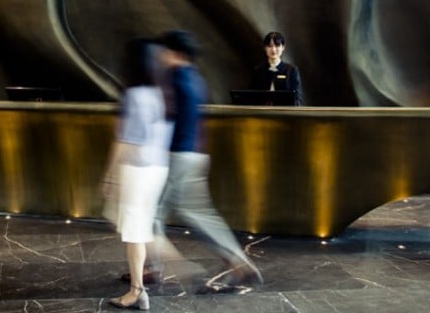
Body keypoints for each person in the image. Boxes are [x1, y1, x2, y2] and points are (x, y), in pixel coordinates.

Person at [140, 29, 262, 290]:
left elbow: (167, 118)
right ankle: (236, 259)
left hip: (177, 156)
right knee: (200, 213)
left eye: (166, 51)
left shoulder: (175, 80)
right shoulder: (197, 80)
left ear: (178, 54)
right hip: (197, 155)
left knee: (150, 214)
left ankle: (155, 268)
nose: (161, 56)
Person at [103, 39, 173, 310]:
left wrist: (109, 177)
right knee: (142, 228)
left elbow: (126, 141)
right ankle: (153, 271)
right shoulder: (161, 93)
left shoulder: (133, 95)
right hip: (158, 169)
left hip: (137, 170)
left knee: (134, 232)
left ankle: (137, 292)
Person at [249, 31, 302, 105]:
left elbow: (297, 99)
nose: (273, 49)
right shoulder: (258, 71)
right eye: (270, 46)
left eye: (277, 45)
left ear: (283, 47)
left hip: (284, 114)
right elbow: (251, 98)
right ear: (265, 48)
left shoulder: (292, 70)